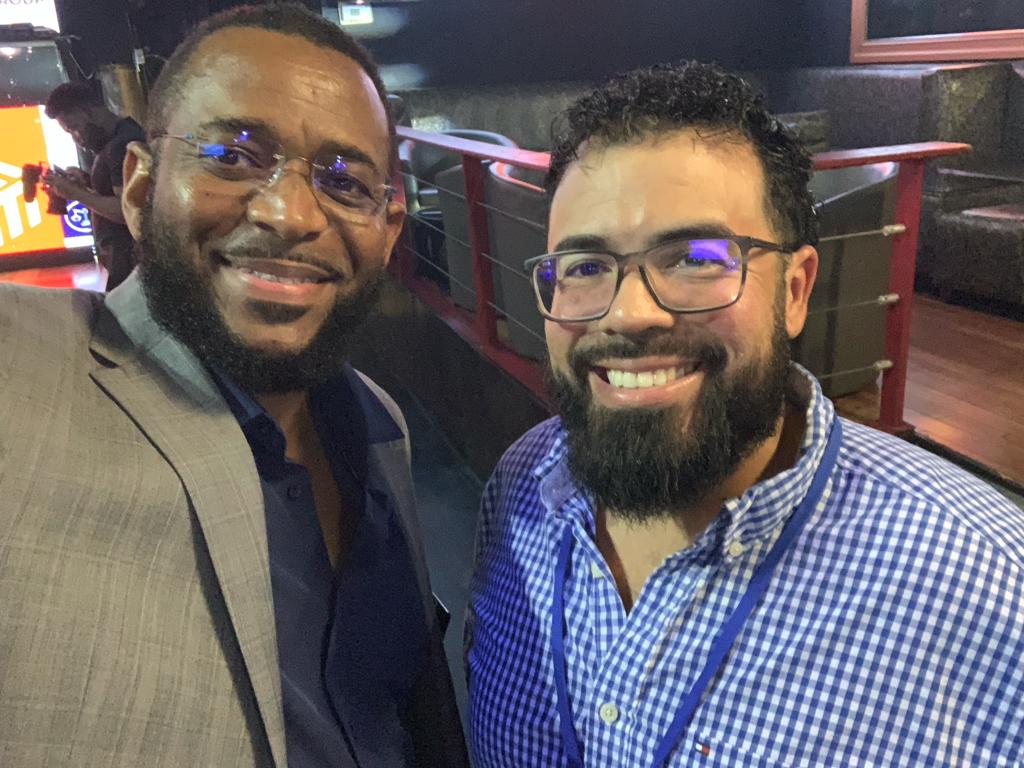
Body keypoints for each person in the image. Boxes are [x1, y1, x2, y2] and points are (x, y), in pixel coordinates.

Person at [466, 62, 1023, 767]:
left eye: (696, 257)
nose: (630, 315)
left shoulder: (990, 588)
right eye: (584, 266)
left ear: (794, 292)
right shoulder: (519, 491)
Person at [0, 5, 467, 767]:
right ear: (140, 189)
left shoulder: (378, 425)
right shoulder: (24, 367)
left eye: (344, 182)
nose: (290, 214)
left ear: (387, 231)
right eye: (233, 156)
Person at [43, 81, 147, 290]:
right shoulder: (118, 138)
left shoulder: (121, 144)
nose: (77, 139)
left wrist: (77, 194)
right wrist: (86, 182)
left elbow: (128, 210)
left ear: (87, 111)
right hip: (126, 260)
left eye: (74, 128)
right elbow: (120, 190)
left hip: (131, 261)